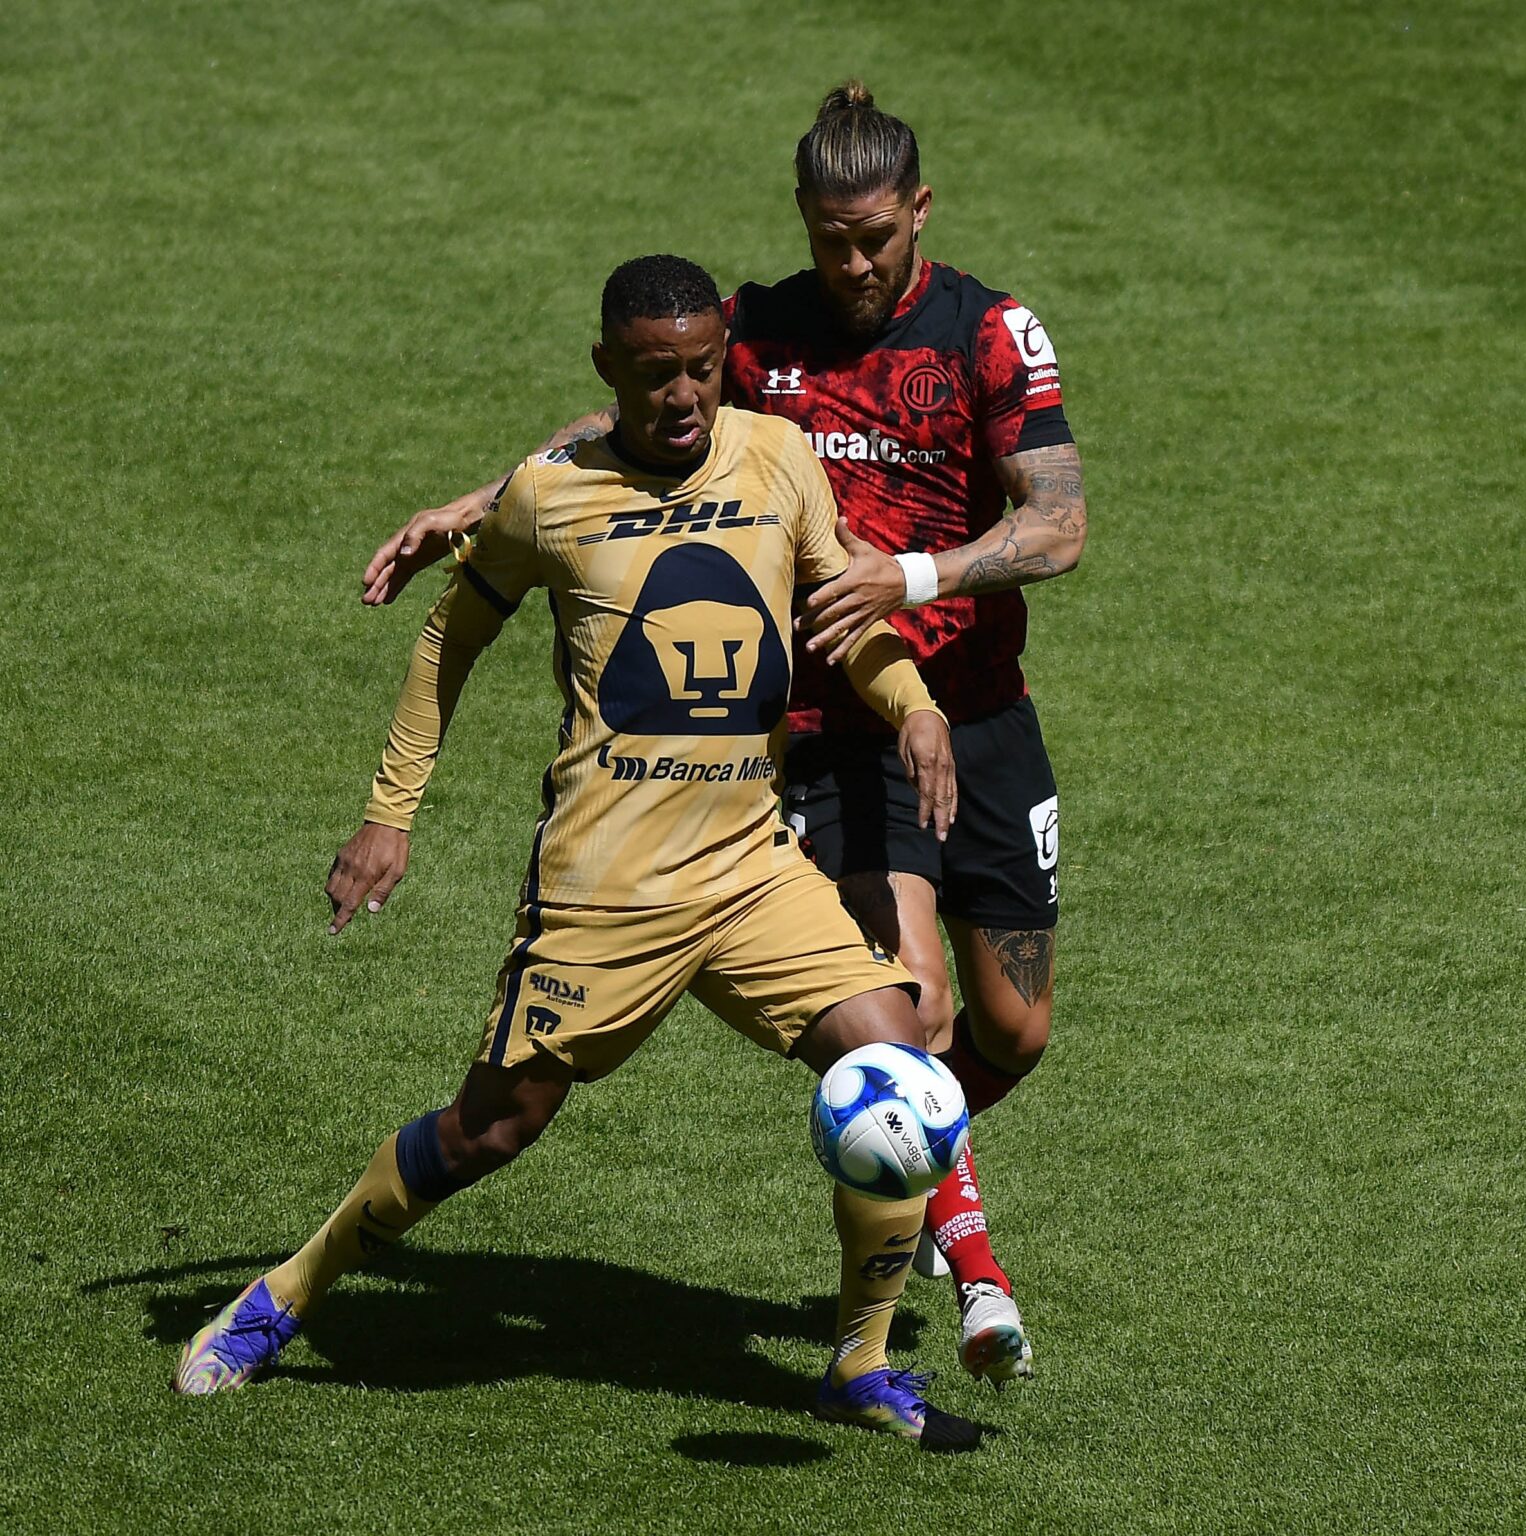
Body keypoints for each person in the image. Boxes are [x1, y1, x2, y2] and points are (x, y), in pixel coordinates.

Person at [174, 256, 984, 1451]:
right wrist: (391, 813)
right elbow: (448, 639)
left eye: (701, 368)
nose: (683, 396)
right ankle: (287, 1292)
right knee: (488, 1131)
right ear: (608, 368)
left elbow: (842, 618)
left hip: (751, 868)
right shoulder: (549, 497)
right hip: (606, 889)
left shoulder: (777, 458)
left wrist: (913, 703)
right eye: (655, 375)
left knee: (899, 1066)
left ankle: (858, 1364)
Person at [360, 83, 1088, 1388]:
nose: (852, 264)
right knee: (914, 1009)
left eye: (874, 238)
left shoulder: (988, 333)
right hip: (838, 720)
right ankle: (977, 1275)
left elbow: (1058, 525)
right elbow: (635, 423)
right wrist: (479, 503)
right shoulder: (757, 328)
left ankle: (904, 1148)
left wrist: (911, 578)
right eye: (829, 239)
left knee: (1015, 1028)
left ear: (920, 212)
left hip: (980, 712)